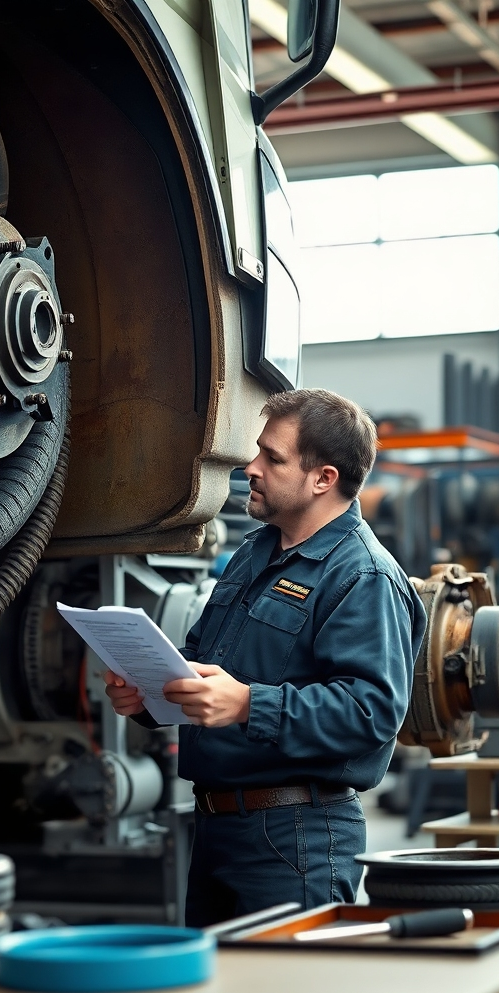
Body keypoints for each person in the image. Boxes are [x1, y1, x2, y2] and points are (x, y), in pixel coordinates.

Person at [105, 388, 427, 927]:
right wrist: (148, 691)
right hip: (217, 830)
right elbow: (204, 662)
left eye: (272, 458)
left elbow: (371, 712)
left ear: (323, 478)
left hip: (295, 841)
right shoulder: (255, 552)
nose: (250, 468)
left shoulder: (362, 576)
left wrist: (247, 705)